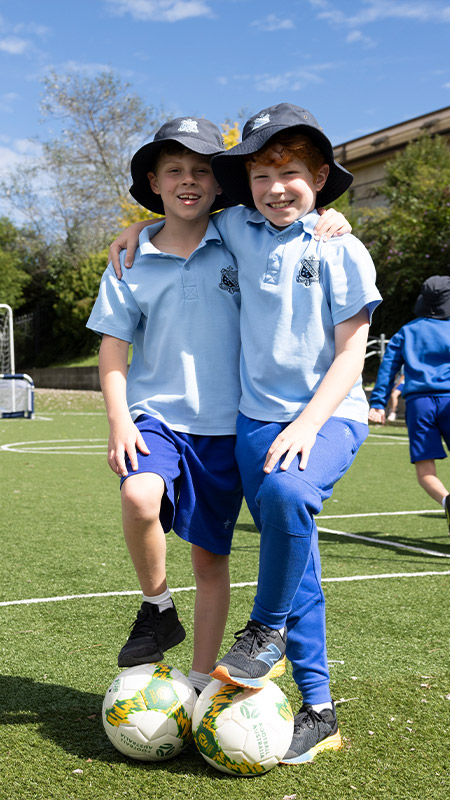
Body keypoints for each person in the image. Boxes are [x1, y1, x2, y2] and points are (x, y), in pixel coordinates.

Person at [89, 116, 350, 697]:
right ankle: (156, 604)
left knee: (211, 564)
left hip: (231, 429)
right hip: (156, 417)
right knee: (139, 493)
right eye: (174, 171)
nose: (188, 181)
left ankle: (202, 684)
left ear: (220, 183)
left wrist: (328, 216)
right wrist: (118, 419)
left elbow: (295, 219)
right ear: (153, 182)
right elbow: (112, 351)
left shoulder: (238, 235)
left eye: (201, 170)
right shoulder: (131, 259)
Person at [205, 103, 381, 765]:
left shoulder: (341, 245)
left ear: (320, 177)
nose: (276, 187)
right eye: (262, 173)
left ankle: (265, 631)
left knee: (286, 495)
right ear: (246, 181)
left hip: (327, 416)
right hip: (254, 421)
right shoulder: (234, 231)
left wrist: (307, 423)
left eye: (291, 173)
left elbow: (350, 351)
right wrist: (131, 238)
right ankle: (320, 710)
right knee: (294, 556)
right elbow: (181, 229)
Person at [369, 275, 450, 532]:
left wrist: (378, 403)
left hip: (418, 404)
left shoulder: (406, 331)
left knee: (425, 470)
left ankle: (447, 501)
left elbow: (387, 369)